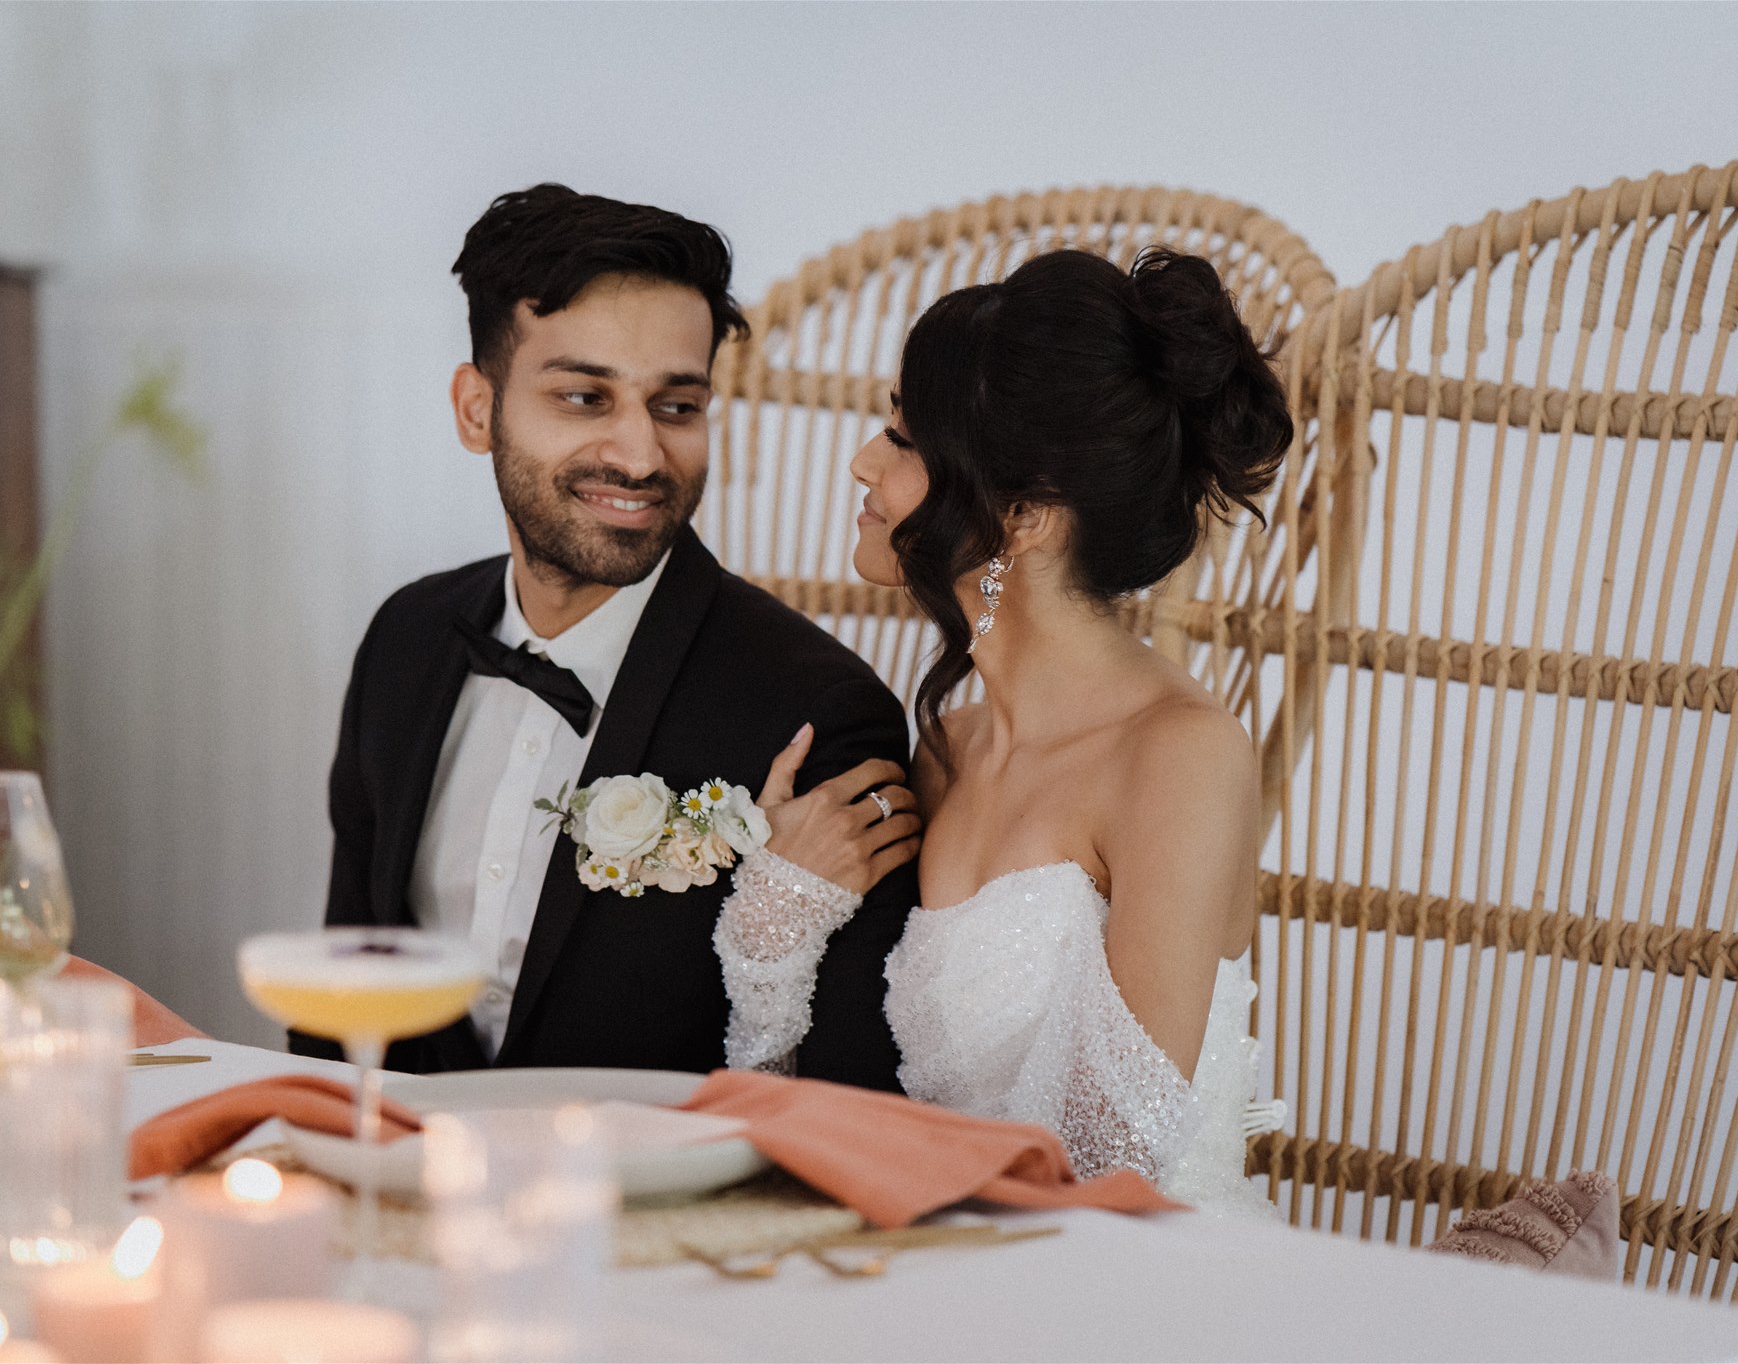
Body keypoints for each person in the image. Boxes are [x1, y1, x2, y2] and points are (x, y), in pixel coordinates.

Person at [298, 184, 918, 1086]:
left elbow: (844, 1098)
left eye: (676, 407)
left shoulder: (817, 712)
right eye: (586, 397)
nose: (638, 456)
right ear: (478, 409)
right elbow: (341, 996)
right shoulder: (407, 638)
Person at [718, 246, 1291, 1213]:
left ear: (1023, 515)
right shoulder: (944, 751)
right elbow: (831, 1105)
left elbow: (1107, 1164)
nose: (864, 460)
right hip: (942, 1258)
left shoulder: (1182, 758)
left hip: (1120, 1291)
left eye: (902, 437)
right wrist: (775, 940)